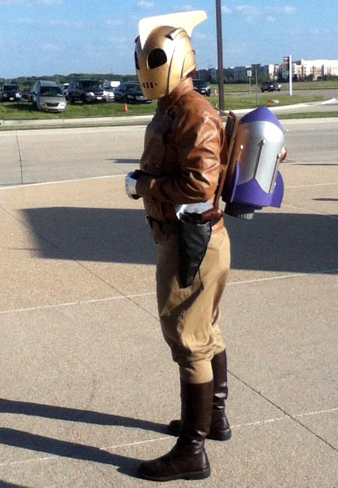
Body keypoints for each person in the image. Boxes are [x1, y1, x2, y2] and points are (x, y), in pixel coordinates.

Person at [125, 11, 232, 482]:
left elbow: (199, 184)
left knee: (188, 340)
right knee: (206, 330)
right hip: (191, 239)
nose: (146, 68)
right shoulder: (173, 107)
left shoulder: (193, 112)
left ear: (178, 58)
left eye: (154, 58)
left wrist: (145, 185)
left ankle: (192, 451)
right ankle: (214, 419)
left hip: (191, 242)